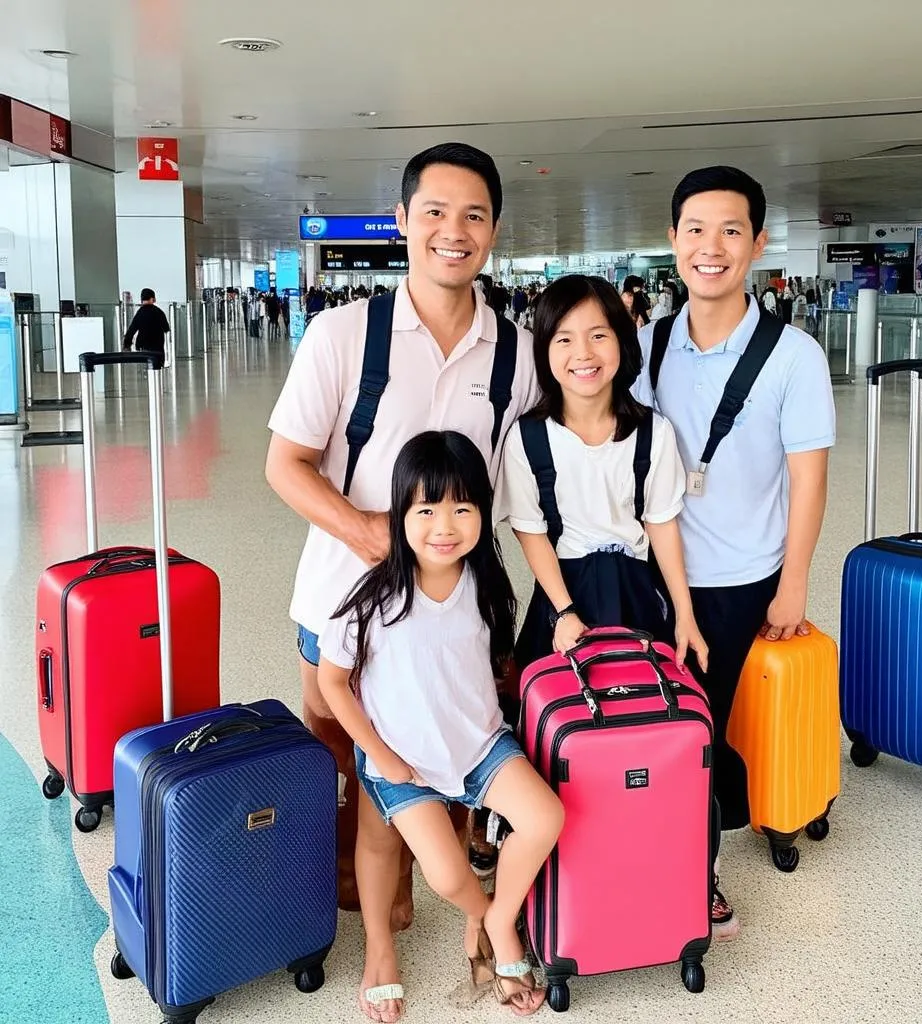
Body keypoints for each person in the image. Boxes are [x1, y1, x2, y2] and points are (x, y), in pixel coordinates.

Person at [265, 141, 538, 1024]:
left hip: (457, 616)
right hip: (346, 610)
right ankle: (380, 939)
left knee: (448, 763)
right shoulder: (345, 334)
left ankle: (455, 904)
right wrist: (374, 535)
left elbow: (530, 481)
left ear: (493, 230)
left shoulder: (517, 355)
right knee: (367, 779)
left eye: (472, 216)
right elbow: (286, 464)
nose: (452, 232)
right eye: (434, 212)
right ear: (402, 222)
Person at [633, 165, 835, 941]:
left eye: (729, 231)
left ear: (757, 243)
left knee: (696, 734)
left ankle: (697, 877)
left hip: (741, 580)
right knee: (654, 724)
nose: (709, 248)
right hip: (654, 573)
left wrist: (793, 586)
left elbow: (807, 481)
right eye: (694, 230)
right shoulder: (648, 346)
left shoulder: (794, 356)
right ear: (672, 239)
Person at [318, 431, 563, 1017]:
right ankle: (473, 913)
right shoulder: (373, 599)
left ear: (482, 510)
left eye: (462, 507)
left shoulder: (485, 585)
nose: (444, 525)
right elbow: (333, 683)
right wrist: (383, 754)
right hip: (401, 761)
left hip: (478, 746)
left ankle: (501, 921)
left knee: (545, 816)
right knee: (447, 877)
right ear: (400, 514)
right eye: (426, 509)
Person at [497, 274, 708, 674]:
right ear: (544, 351)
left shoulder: (653, 433)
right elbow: (530, 530)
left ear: (622, 340)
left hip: (637, 588)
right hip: (564, 590)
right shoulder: (527, 438)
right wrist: (564, 612)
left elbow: (661, 524)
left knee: (645, 708)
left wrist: (684, 612)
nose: (583, 354)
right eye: (564, 339)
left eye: (598, 335)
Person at [122, 288, 170, 356]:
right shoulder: (159, 312)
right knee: (157, 366)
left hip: (143, 348)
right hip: (157, 348)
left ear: (142, 300)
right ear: (153, 299)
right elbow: (166, 328)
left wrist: (127, 346)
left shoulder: (140, 313)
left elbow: (131, 330)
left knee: (144, 365)